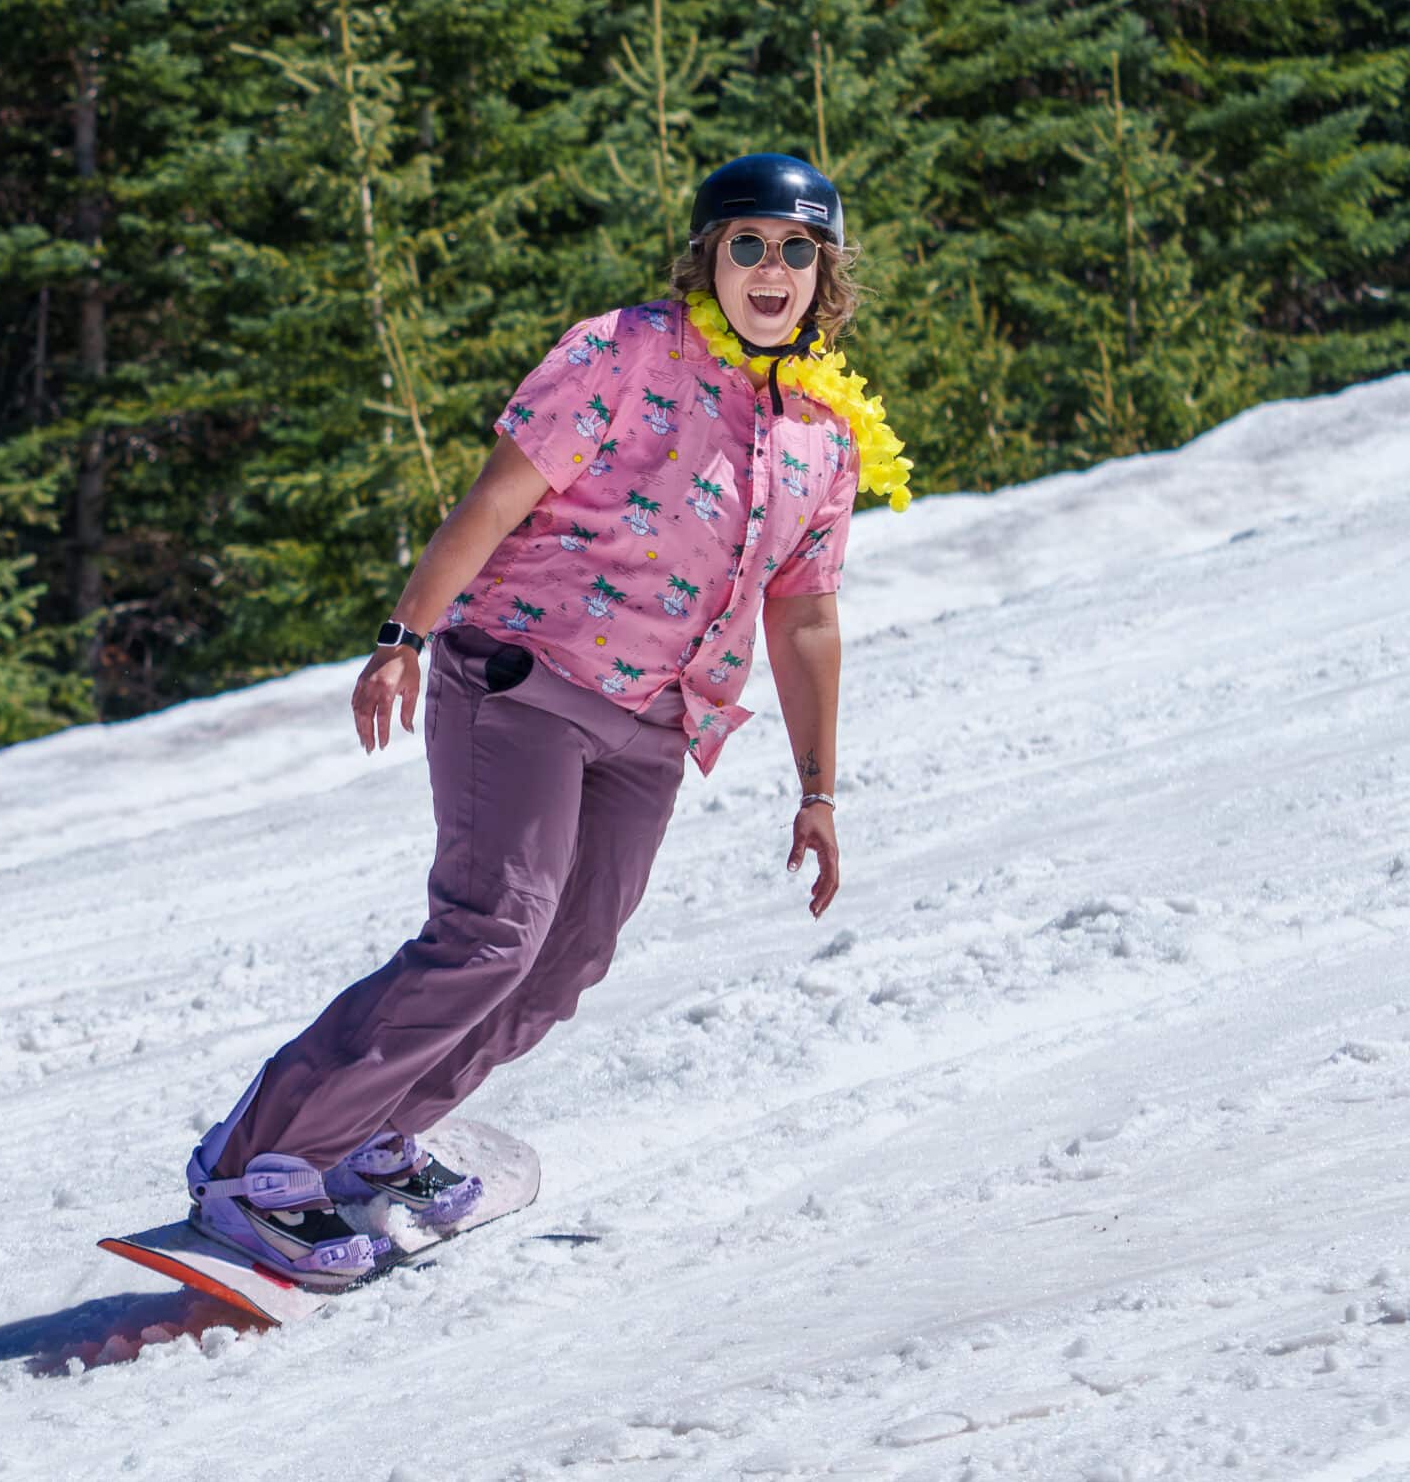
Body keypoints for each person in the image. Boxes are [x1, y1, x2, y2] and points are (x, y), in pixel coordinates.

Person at [183, 152, 915, 1281]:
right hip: (525, 678)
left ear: (827, 275)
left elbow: (805, 616)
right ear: (707, 259)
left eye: (796, 249)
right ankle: (261, 1159)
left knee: (565, 960)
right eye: (747, 246)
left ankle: (375, 1138)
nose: (771, 269)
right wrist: (402, 636)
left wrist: (819, 793)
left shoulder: (825, 433)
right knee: (488, 935)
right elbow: (497, 495)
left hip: (654, 729)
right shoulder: (624, 351)